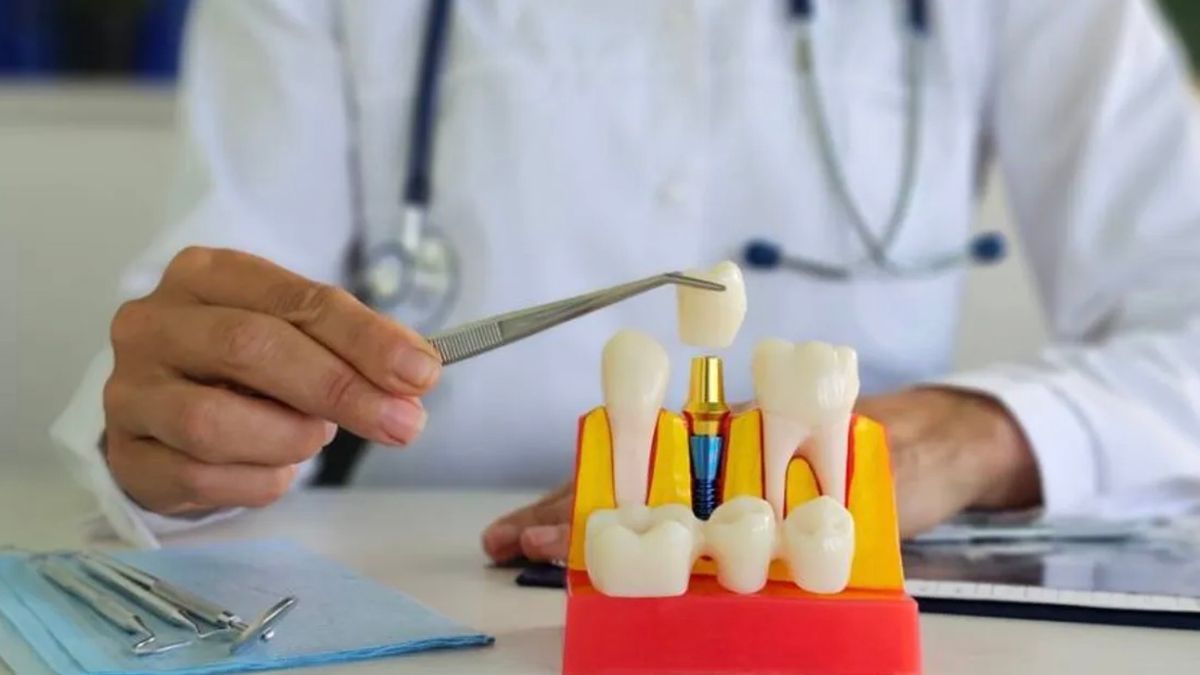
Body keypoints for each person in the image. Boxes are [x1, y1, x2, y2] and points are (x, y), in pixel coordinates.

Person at [52, 1, 1200, 563]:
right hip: (434, 587)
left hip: (835, 594)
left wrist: (983, 432)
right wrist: (179, 436)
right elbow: (191, 345)